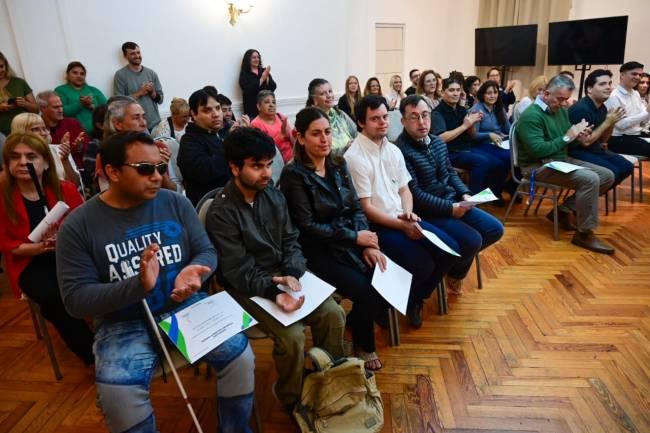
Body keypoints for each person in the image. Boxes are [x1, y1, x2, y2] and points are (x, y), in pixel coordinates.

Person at [56, 131, 255, 433]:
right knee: (119, 396)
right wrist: (138, 286)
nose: (156, 177)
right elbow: (75, 300)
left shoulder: (175, 203)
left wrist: (196, 269)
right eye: (145, 169)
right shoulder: (78, 225)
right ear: (112, 172)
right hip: (122, 321)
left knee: (241, 358)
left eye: (160, 168)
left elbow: (206, 250)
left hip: (183, 305)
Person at [206, 126, 345, 411]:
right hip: (246, 286)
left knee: (334, 314)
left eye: (269, 164)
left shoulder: (273, 195)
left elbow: (291, 240)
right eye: (257, 166)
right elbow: (237, 271)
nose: (267, 173)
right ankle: (291, 397)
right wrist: (274, 290)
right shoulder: (221, 212)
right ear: (234, 167)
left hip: (283, 276)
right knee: (292, 337)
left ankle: (328, 380)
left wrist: (292, 273)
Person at [279, 107, 388, 371]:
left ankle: (355, 325)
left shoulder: (338, 164)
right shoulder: (294, 175)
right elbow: (308, 226)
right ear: (300, 137)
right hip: (317, 251)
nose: (324, 139)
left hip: (348, 241)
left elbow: (356, 208)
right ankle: (363, 343)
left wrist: (368, 243)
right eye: (316, 134)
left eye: (327, 132)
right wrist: (355, 238)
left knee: (384, 275)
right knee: (369, 290)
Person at [344, 95, 457, 328]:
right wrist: (401, 225)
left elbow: (405, 190)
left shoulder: (392, 150)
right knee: (423, 265)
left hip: (402, 217)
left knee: (450, 250)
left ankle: (410, 300)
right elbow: (366, 208)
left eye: (385, 117)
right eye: (375, 119)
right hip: (378, 226)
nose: (383, 122)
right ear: (361, 123)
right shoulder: (354, 157)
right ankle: (390, 304)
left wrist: (408, 214)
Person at [0, 132, 94, 364]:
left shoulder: (65, 189)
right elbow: (6, 244)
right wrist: (39, 248)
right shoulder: (2, 197)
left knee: (105, 276)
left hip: (69, 255)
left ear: (44, 161)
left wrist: (67, 240)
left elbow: (88, 226)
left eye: (31, 156)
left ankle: (118, 333)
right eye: (15, 157)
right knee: (54, 298)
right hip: (30, 261)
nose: (23, 162)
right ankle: (93, 355)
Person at [396, 95, 504, 294]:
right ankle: (444, 271)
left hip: (453, 201)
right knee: (472, 241)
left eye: (425, 115)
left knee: (495, 229)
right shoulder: (400, 150)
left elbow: (450, 172)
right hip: (428, 211)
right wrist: (450, 209)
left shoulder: (437, 142)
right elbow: (415, 194)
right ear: (403, 121)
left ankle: (454, 272)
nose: (422, 122)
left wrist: (464, 194)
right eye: (414, 117)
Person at [516, 75, 615, 254]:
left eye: (565, 100)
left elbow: (566, 136)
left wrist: (579, 134)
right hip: (536, 166)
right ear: (546, 93)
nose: (563, 104)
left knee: (607, 176)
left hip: (558, 160)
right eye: (559, 99)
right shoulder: (531, 116)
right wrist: (568, 136)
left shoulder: (559, 110)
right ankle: (584, 234)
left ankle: (564, 210)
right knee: (591, 179)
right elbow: (537, 151)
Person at [568, 69, 633, 190]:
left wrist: (611, 123)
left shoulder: (602, 107)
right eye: (602, 84)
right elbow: (585, 142)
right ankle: (572, 204)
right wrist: (607, 122)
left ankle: (589, 197)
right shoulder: (582, 108)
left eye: (609, 83)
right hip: (576, 151)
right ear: (589, 89)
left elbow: (603, 139)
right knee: (612, 171)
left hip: (593, 149)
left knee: (626, 167)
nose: (609, 87)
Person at [432, 77, 495, 194]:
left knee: (497, 161)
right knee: (482, 162)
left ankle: (491, 194)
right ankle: (472, 198)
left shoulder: (461, 109)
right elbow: (441, 138)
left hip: (466, 149)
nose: (456, 93)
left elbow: (472, 134)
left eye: (457, 90)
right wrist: (465, 126)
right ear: (442, 92)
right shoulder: (437, 113)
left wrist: (473, 122)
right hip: (450, 153)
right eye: (451, 90)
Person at [101, 98, 177, 192]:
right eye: (136, 118)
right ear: (118, 124)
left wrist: (161, 168)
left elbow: (174, 190)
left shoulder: (158, 147)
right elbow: (110, 196)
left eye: (144, 117)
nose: (144, 123)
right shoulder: (107, 155)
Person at [177, 89, 229, 205]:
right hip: (212, 205)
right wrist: (229, 144)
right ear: (194, 114)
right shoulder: (189, 141)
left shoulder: (216, 134)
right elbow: (206, 172)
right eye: (207, 110)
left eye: (218, 108)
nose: (216, 114)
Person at [469, 80, 513, 202]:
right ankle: (494, 192)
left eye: (495, 92)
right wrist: (489, 135)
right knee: (503, 160)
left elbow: (508, 129)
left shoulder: (499, 108)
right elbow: (473, 136)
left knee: (513, 156)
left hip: (497, 144)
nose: (492, 95)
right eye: (488, 93)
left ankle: (501, 189)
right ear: (483, 94)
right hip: (479, 145)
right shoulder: (476, 110)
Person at [11, 112, 80, 186]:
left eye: (44, 128)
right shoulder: (15, 158)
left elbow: (75, 184)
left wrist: (65, 162)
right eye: (35, 129)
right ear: (21, 132)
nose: (43, 133)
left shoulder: (60, 149)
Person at [113, 42, 164, 130]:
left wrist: (153, 92)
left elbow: (160, 100)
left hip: (155, 124)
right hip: (134, 126)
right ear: (125, 56)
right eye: (132, 53)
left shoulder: (151, 73)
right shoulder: (120, 75)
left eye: (138, 52)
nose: (137, 56)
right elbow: (119, 104)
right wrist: (139, 93)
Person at [605, 61, 650, 157]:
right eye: (634, 74)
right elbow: (621, 125)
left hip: (636, 135)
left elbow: (644, 121)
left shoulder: (636, 93)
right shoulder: (614, 96)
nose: (637, 77)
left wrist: (648, 111)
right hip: (619, 139)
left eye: (639, 74)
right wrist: (647, 112)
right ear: (622, 75)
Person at [38, 90, 89, 167]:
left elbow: (88, 147)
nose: (61, 110)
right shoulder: (36, 128)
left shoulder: (73, 123)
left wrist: (79, 147)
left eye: (61, 106)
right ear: (43, 109)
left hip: (76, 169)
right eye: (56, 107)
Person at [55, 61, 107, 134]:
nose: (79, 76)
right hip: (76, 134)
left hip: (99, 133)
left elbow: (107, 110)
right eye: (75, 73)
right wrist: (81, 104)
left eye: (82, 74)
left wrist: (92, 106)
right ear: (67, 74)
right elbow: (62, 111)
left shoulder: (93, 90)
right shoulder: (60, 90)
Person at [306, 78, 357, 154]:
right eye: (323, 94)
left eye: (330, 91)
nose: (329, 96)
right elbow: (318, 152)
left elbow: (356, 132)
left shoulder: (340, 113)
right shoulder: (311, 120)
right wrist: (345, 149)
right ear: (314, 99)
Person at [0, 52, 39, 136]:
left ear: (6, 65)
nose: (0, 70)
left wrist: (25, 104)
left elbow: (36, 110)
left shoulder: (19, 82)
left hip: (25, 131)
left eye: (1, 66)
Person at [250, 90, 294, 162]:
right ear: (259, 106)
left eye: (274, 102)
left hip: (293, 158)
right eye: (267, 102)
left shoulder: (280, 117)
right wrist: (281, 135)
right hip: (276, 163)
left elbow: (293, 139)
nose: (271, 105)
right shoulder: (255, 124)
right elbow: (264, 150)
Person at [239, 49, 277, 117]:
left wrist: (267, 79)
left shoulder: (263, 71)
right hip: (252, 110)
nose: (257, 59)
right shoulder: (245, 74)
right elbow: (249, 90)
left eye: (258, 57)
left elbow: (273, 87)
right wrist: (262, 79)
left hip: (266, 109)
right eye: (254, 57)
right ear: (248, 59)